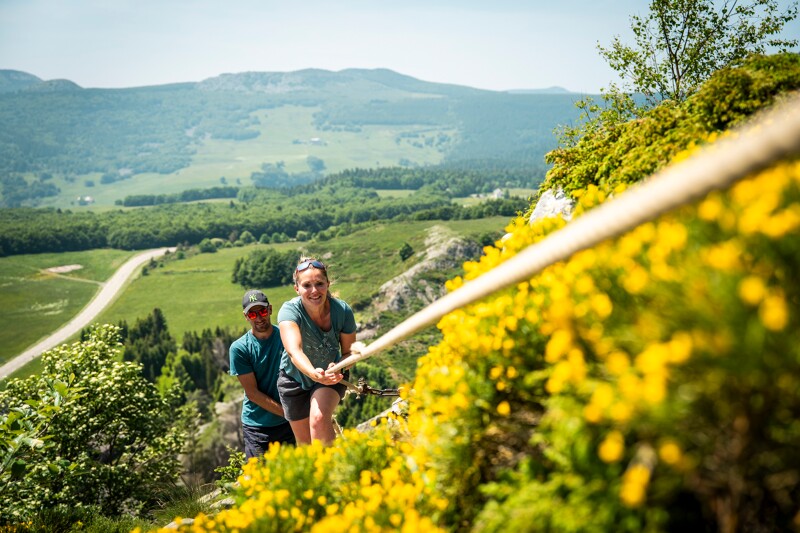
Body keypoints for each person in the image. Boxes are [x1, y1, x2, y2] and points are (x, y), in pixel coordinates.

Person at [277, 257, 357, 445]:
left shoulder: (342, 311)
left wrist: (338, 367)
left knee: (319, 419)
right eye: (307, 285)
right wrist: (313, 373)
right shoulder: (289, 311)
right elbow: (294, 351)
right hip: (293, 379)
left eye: (319, 283)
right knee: (306, 447)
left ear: (328, 284)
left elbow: (349, 353)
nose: (314, 291)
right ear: (297, 289)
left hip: (330, 374)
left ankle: (335, 473)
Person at [229, 289, 296, 459]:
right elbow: (252, 394)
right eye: (252, 314)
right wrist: (290, 413)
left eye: (263, 311)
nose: (259, 318)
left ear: (270, 309)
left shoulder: (287, 336)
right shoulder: (240, 349)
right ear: (246, 317)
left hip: (289, 422)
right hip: (258, 427)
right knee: (260, 479)